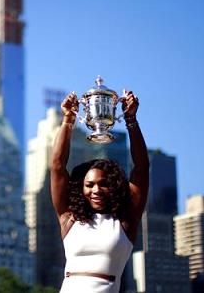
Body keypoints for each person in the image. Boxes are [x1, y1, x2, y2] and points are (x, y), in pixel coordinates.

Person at [51, 89, 149, 293]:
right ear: (81, 188)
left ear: (113, 187)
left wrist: (131, 120)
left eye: (103, 184)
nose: (96, 190)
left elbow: (141, 168)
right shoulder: (69, 220)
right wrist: (68, 119)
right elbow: (58, 166)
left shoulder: (125, 221)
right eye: (89, 185)